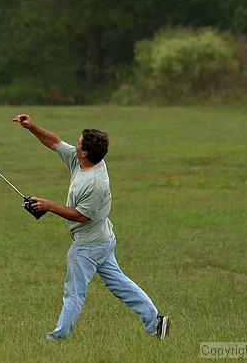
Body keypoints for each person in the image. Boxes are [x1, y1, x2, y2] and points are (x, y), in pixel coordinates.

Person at [12, 113, 170, 340]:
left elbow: (81, 216)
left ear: (85, 152)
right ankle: (155, 322)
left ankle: (57, 338)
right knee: (120, 285)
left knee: (73, 294)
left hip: (89, 246)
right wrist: (31, 127)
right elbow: (54, 142)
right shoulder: (84, 160)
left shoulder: (95, 183)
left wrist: (49, 205)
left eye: (77, 142)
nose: (73, 143)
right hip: (103, 239)